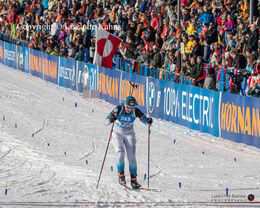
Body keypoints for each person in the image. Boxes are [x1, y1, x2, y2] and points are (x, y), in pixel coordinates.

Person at [105, 96, 153, 189]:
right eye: (129, 107)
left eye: (132, 108)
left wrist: (149, 121)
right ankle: (121, 176)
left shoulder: (136, 111)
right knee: (120, 153)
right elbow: (106, 122)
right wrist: (111, 118)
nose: (130, 110)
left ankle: (134, 181)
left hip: (129, 134)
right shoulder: (118, 109)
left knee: (132, 157)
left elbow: (145, 121)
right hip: (117, 134)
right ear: (125, 105)